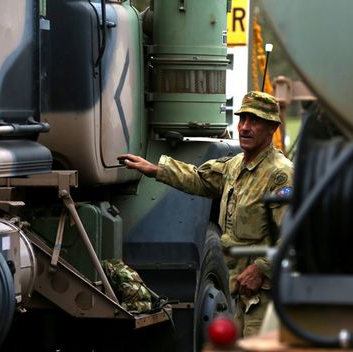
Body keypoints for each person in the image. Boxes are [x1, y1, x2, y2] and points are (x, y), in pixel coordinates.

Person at [117, 91, 293, 337]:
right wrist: (155, 169)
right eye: (242, 120)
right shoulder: (235, 166)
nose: (244, 127)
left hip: (265, 295)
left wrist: (261, 269)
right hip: (239, 292)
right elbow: (198, 178)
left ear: (272, 127)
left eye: (255, 121)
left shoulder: (280, 174)